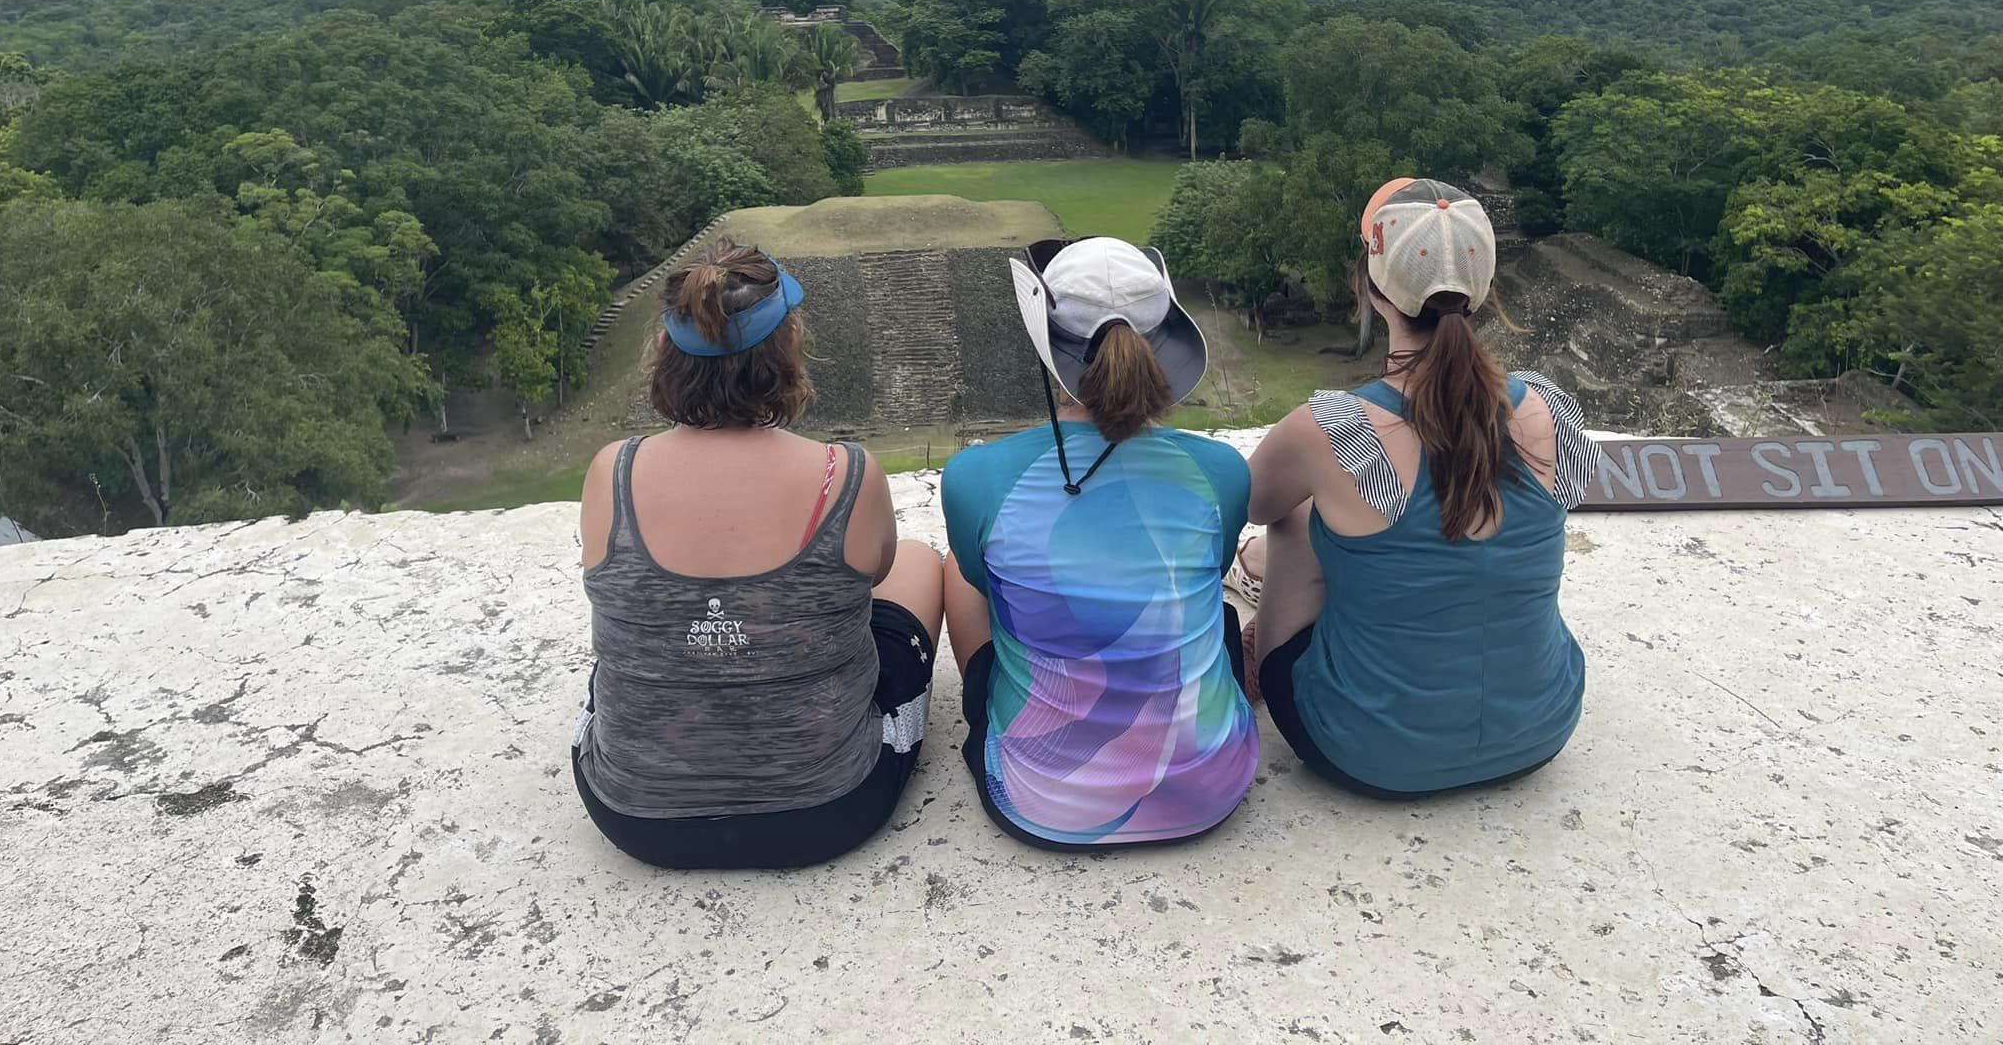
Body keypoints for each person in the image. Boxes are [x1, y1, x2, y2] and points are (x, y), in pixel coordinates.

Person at [570, 240, 943, 869]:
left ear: (664, 351)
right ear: (789, 343)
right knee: (917, 561)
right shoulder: (843, 473)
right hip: (828, 810)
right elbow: (875, 574)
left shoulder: (614, 470)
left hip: (636, 817)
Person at [1244, 178, 1599, 800]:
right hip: (1540, 731)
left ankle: (1265, 574)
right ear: (1485, 291)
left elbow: (1257, 502)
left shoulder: (1337, 429)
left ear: (1370, 287)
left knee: (1300, 516)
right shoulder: (1552, 406)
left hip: (1366, 752)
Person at [941, 236, 1259, 849]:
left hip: (1047, 804)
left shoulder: (976, 477)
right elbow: (1214, 566)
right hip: (1208, 789)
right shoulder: (1220, 471)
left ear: (1045, 342)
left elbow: (984, 585)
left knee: (961, 563)